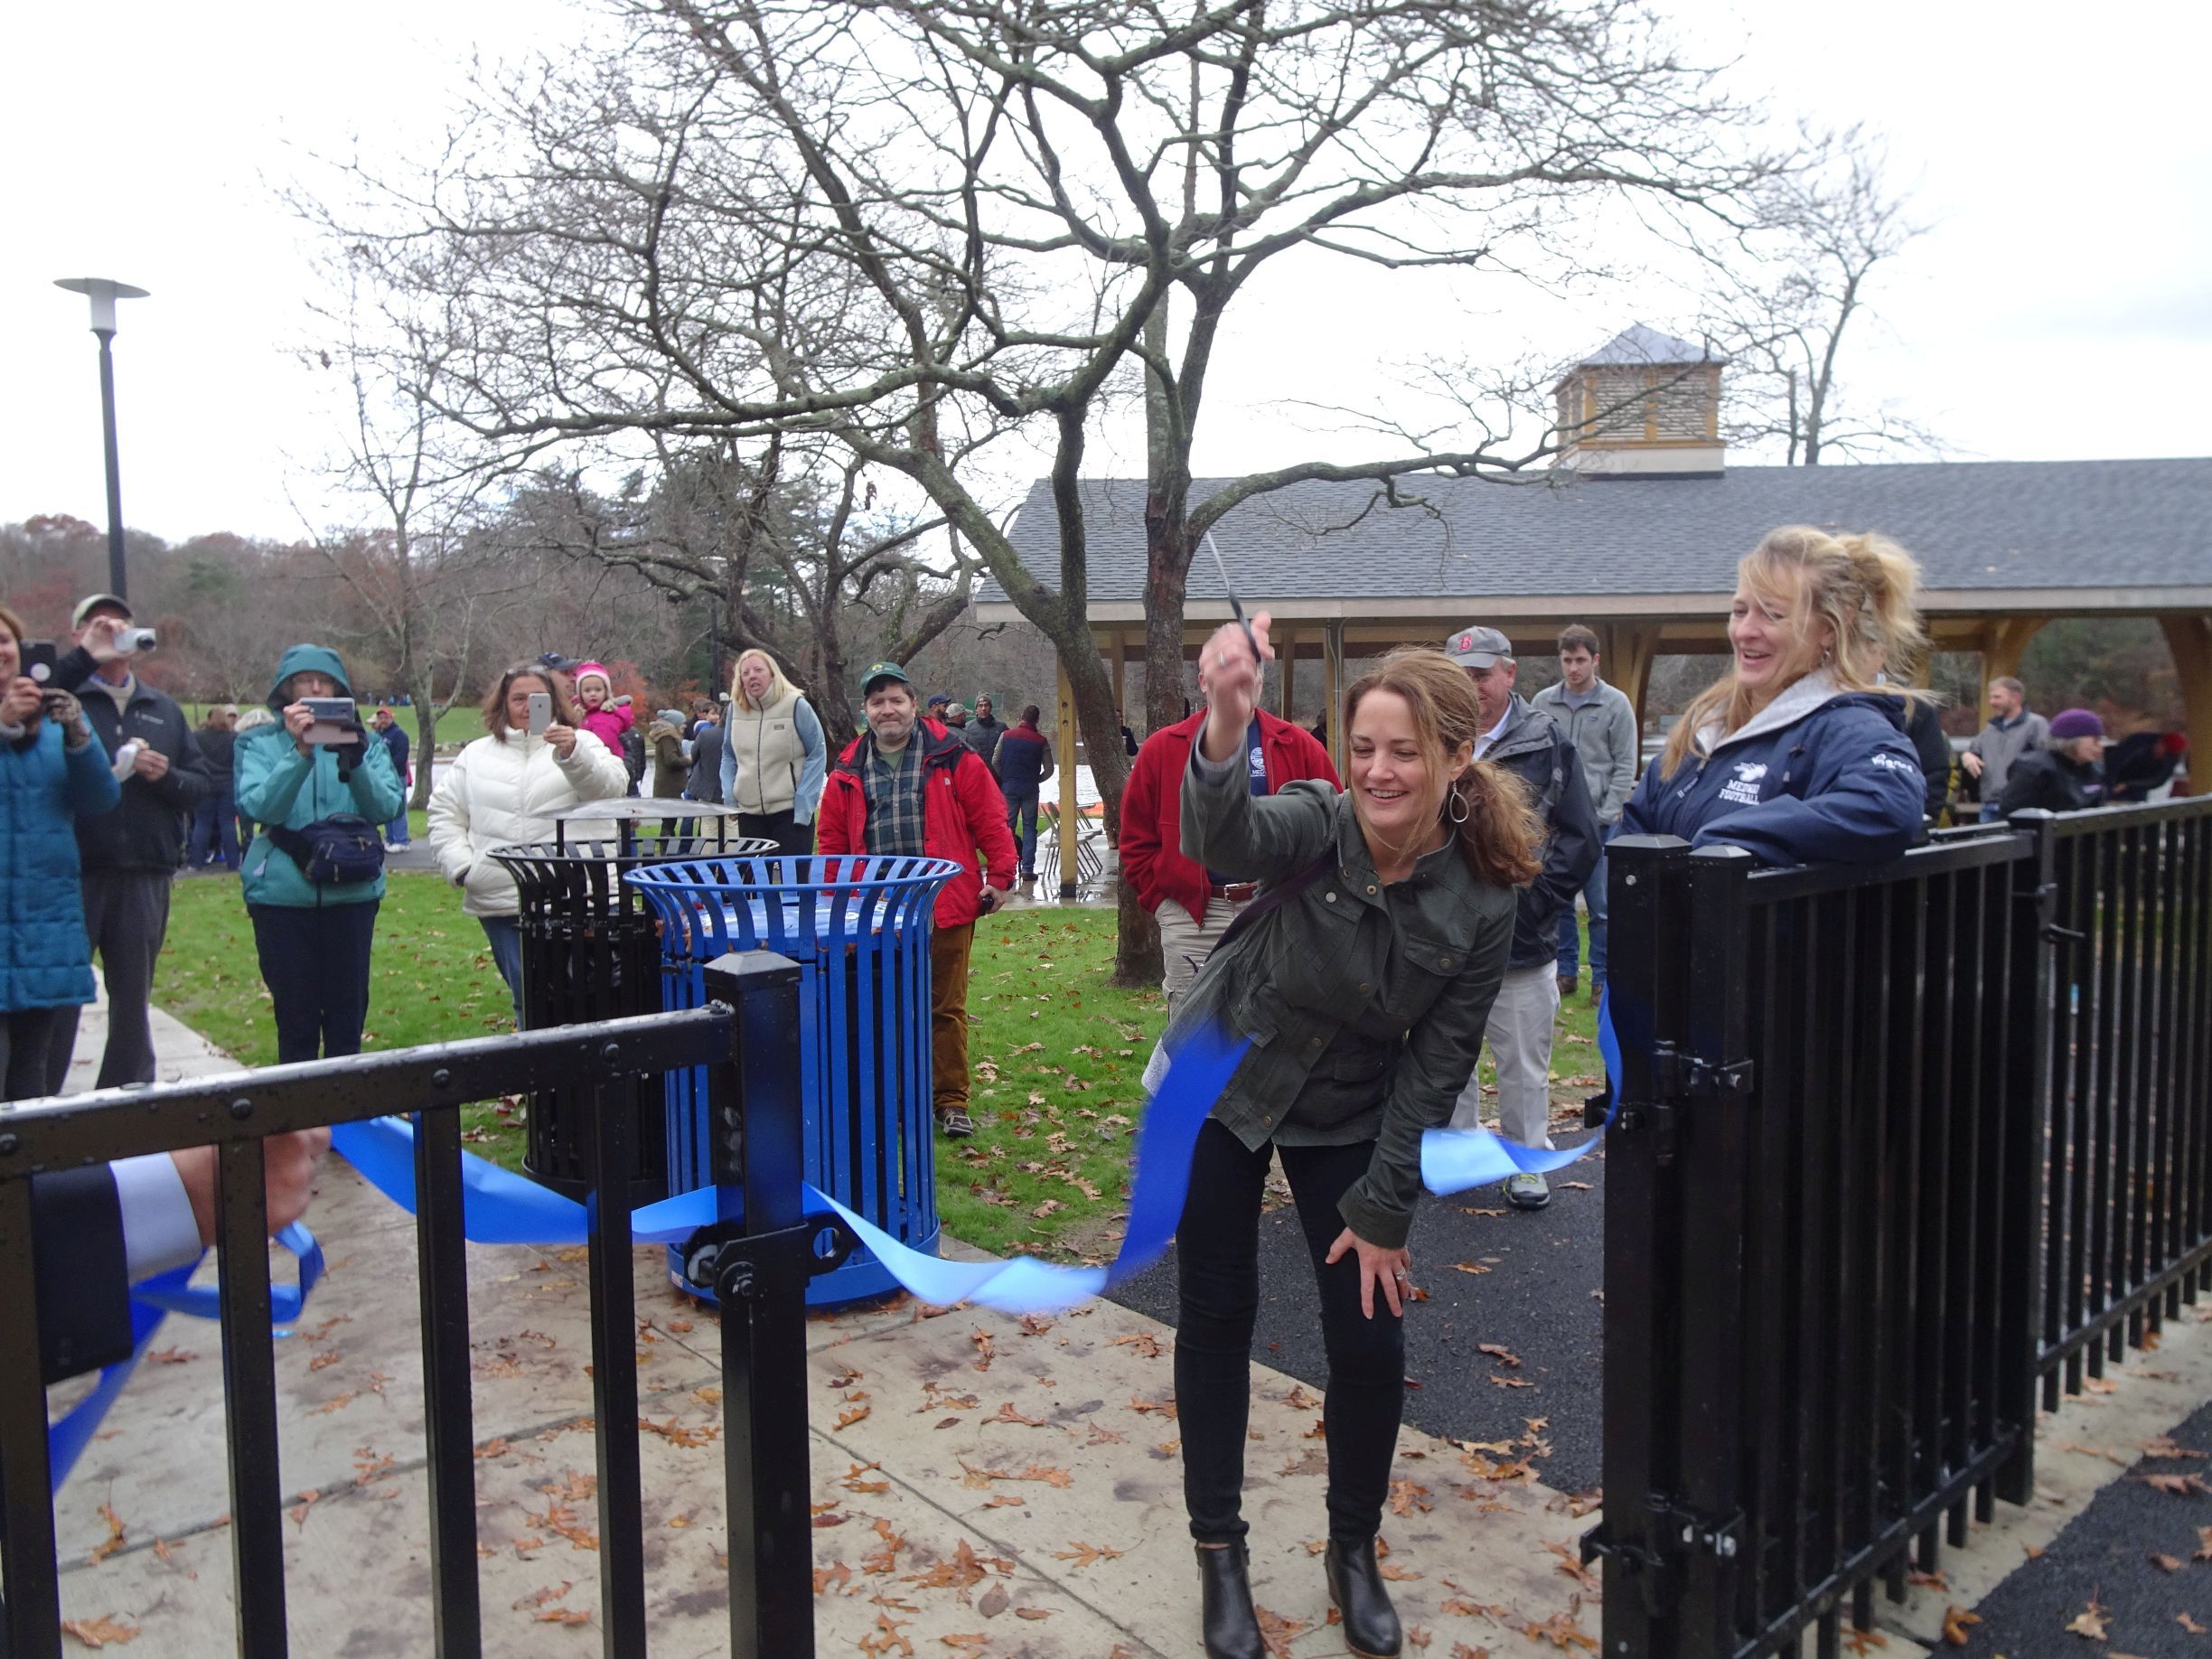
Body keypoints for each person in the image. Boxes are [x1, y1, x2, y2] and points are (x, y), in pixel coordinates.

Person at [1165, 618, 1536, 1659]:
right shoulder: (1321, 818)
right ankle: (1219, 1549)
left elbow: (1440, 1061)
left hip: (1351, 1106)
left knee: (1369, 1333)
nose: (1376, 770)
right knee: (1216, 1310)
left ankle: (1352, 1546)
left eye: (1405, 750)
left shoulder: (1485, 890)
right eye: (1364, 746)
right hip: (1226, 1077)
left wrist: (1382, 1209)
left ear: (1457, 759)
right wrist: (1228, 722)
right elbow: (1224, 838)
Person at [1617, 525, 1930, 866]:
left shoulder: (1849, 728)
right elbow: (1633, 832)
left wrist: (1723, 848)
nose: (1746, 631)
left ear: (1827, 630)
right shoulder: (1705, 725)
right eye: (1740, 611)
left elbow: (1890, 807)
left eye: (1772, 614)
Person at [815, 662, 1016, 1139]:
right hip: (875, 911)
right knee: (878, 1006)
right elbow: (831, 841)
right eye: (877, 702)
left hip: (944, 903)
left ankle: (949, 1101)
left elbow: (990, 816)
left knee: (943, 1007)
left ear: (912, 704)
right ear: (866, 711)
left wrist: (1003, 875)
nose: (888, 709)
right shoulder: (846, 769)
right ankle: (892, 1100)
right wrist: (832, 899)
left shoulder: (952, 755)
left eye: (896, 700)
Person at [1442, 625, 1599, 1212]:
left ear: (1509, 673)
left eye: (1482, 675)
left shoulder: (1547, 742)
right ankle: (1459, 1159)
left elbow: (1579, 840)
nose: (1473, 687)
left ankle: (1525, 1161)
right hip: (1443, 942)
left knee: (1523, 1065)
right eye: (1461, 676)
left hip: (1520, 944)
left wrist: (1526, 906)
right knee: (1446, 1061)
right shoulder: (1431, 742)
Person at [43, 595, 214, 1092]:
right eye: (98, 625)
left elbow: (200, 786)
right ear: (77, 637)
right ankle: (41, 1101)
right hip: (73, 868)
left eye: (122, 624)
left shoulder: (161, 707)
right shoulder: (60, 696)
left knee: (133, 999)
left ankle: (127, 1100)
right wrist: (82, 661)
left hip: (144, 867)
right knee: (59, 997)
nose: (113, 630)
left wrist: (165, 777)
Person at [234, 644, 407, 1064]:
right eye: (303, 681)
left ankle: (345, 1117)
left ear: (338, 688)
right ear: (286, 691)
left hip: (352, 894)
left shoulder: (369, 745)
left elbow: (387, 808)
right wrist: (300, 753)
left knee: (348, 1019)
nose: (314, 688)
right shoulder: (258, 743)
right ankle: (301, 1118)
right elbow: (260, 808)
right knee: (295, 1019)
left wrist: (356, 761)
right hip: (281, 896)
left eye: (324, 681)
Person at [1121, 681, 1338, 1013]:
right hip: (1195, 917)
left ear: (1261, 681)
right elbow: (1135, 840)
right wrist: (1166, 904)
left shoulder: (1299, 746)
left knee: (1281, 1025)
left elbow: (1335, 829)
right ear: (1205, 681)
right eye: (1225, 673)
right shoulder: (1163, 748)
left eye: (1248, 673)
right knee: (1192, 1033)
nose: (1237, 682)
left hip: (1282, 911)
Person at [427, 663, 629, 1017]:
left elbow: (612, 790)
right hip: (503, 900)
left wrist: (573, 756)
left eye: (537, 698)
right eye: (517, 698)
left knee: (592, 999)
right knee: (529, 999)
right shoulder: (475, 755)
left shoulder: (584, 743)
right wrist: (463, 868)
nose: (526, 706)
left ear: (554, 703)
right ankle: (539, 1070)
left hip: (578, 899)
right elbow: (444, 812)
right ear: (503, 703)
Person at [1, 598, 121, 1099]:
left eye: (4, 640)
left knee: (33, 1084)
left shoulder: (52, 720)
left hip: (44, 926)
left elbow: (100, 799)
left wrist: (78, 735)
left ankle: (25, 1179)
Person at [1530, 624, 1637, 1001]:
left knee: (1601, 906)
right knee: (1557, 899)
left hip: (1602, 824)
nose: (1573, 668)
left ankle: (1603, 978)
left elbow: (1626, 763)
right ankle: (1566, 971)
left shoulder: (1615, 704)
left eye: (1579, 660)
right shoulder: (1543, 703)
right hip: (1555, 823)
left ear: (1595, 660)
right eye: (1566, 660)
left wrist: (1607, 813)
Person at [719, 648, 828, 860]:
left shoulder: (796, 705)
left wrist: (804, 802)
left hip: (791, 814)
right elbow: (728, 755)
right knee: (755, 886)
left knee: (793, 886)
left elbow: (817, 752)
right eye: (745, 672)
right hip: (749, 814)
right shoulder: (735, 709)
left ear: (772, 674)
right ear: (740, 680)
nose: (752, 676)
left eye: (758, 670)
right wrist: (730, 798)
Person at [1959, 676, 2049, 822]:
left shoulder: (2036, 725)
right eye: (1991, 697)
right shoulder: (1991, 728)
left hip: (2021, 808)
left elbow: (2045, 761)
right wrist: (1968, 756)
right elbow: (1973, 749)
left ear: (2015, 698)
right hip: (1989, 805)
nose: (1991, 702)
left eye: (1997, 697)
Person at [1997, 708, 2108, 815]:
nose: (2100, 747)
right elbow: (2011, 814)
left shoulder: (2095, 769)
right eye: (2095, 740)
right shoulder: (2032, 769)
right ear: (2072, 741)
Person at [993, 704, 1055, 880]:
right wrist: (1037, 779)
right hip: (1030, 789)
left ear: (1021, 717)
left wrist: (1006, 778)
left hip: (1009, 787)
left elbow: (995, 760)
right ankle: (1027, 868)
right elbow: (1050, 769)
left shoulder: (1006, 736)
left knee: (1007, 828)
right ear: (1037, 720)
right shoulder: (1041, 741)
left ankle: (1008, 868)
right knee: (1029, 828)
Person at [188, 704, 241, 871]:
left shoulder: (198, 737)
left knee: (202, 824)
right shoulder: (233, 738)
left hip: (205, 784)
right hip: (227, 784)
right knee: (228, 824)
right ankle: (233, 863)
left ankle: (196, 863)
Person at [647, 706, 693, 835]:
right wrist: (688, 759)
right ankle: (666, 850)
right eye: (682, 723)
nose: (685, 726)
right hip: (669, 789)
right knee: (668, 823)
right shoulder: (667, 739)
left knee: (669, 822)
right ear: (675, 724)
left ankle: (667, 849)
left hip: (668, 788)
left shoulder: (669, 738)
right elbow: (672, 760)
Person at [2106, 730, 2189, 803]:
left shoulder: (2171, 758)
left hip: (2138, 787)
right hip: (2116, 777)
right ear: (2160, 742)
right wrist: (2110, 786)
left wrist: (2128, 785)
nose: (2163, 756)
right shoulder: (2139, 741)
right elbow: (2114, 763)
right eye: (2164, 751)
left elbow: (2159, 780)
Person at [372, 706, 412, 846]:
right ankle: (390, 838)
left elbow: (401, 757)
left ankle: (401, 841)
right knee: (387, 808)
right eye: (380, 718)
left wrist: (387, 769)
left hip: (397, 776)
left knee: (398, 809)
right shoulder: (378, 735)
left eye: (386, 717)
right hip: (382, 778)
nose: (383, 720)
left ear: (391, 718)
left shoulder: (399, 735)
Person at [688, 700, 726, 808]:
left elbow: (694, 755)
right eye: (713, 714)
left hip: (706, 786)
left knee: (709, 820)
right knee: (729, 820)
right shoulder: (705, 729)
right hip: (722, 784)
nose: (716, 717)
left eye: (718, 714)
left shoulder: (705, 733)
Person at [963, 694, 1008, 772]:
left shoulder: (1001, 727)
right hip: (977, 774)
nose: (983, 709)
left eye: (986, 705)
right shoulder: (967, 728)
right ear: (976, 709)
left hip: (996, 775)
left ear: (990, 708)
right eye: (980, 706)